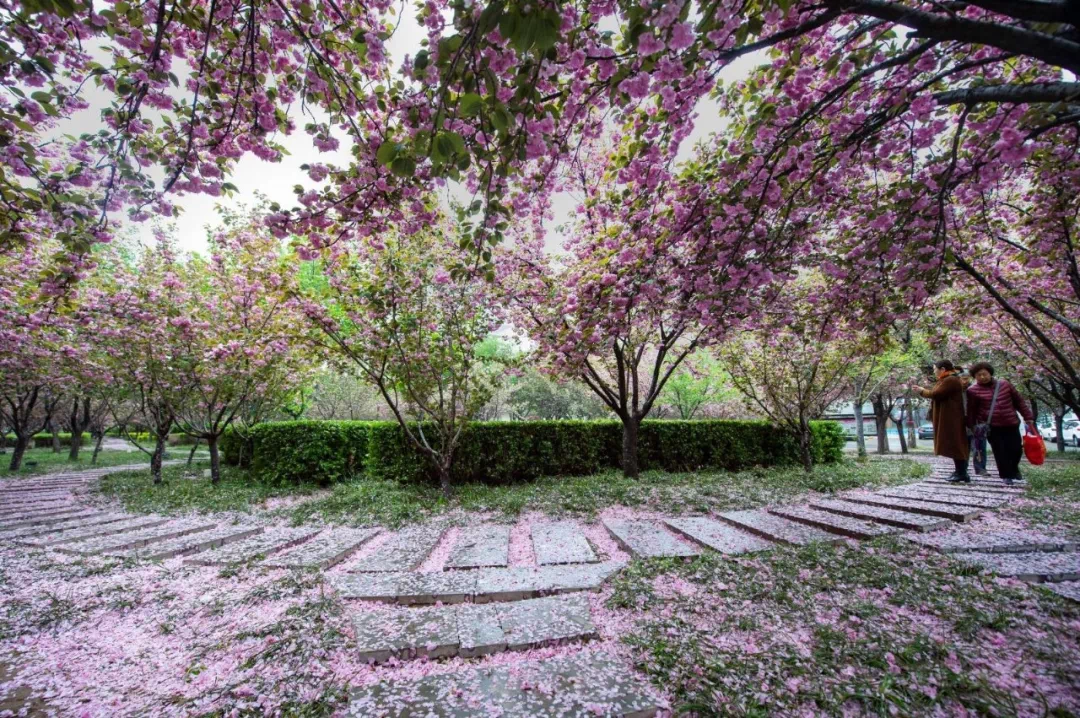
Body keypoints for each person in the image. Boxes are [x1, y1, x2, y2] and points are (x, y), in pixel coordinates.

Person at [965, 362, 1035, 485]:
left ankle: (1014, 469)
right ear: (974, 377)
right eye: (978, 375)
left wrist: (1028, 416)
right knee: (1000, 451)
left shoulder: (1004, 384)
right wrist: (972, 425)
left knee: (1016, 449)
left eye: (984, 374)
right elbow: (972, 410)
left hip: (1011, 423)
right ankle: (1006, 475)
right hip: (992, 426)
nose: (982, 377)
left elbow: (1019, 402)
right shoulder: (972, 391)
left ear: (990, 373)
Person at [911, 360, 970, 482]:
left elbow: (936, 394)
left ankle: (962, 473)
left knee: (956, 444)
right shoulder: (946, 379)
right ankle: (959, 471)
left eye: (935, 369)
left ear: (942, 369)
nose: (934, 371)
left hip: (952, 418)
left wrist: (922, 390)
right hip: (948, 417)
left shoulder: (950, 380)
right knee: (954, 444)